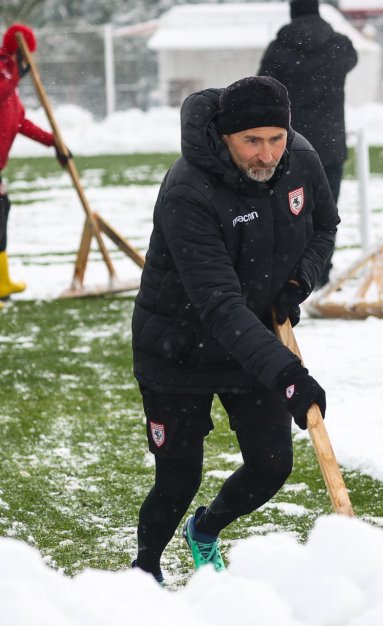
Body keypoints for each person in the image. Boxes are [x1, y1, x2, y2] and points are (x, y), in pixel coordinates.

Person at [130, 76, 337, 583]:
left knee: (272, 465)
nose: (266, 154)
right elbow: (219, 304)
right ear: (225, 136)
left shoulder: (301, 159)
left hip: (252, 340)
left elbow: (324, 226)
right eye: (251, 141)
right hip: (178, 348)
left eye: (276, 138)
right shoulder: (188, 190)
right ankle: (145, 570)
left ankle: (205, 530)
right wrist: (288, 375)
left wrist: (298, 280)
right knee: (178, 479)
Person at [259, 0, 357, 287]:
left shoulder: (279, 49)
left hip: (290, 146)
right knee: (326, 214)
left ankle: (291, 272)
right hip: (331, 144)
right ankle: (320, 272)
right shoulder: (339, 45)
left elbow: (263, 88)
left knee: (289, 212)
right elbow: (352, 59)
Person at [0, 24, 68, 304]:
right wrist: (16, 73)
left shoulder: (11, 83)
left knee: (3, 210)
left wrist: (54, 142)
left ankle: (2, 280)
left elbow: (20, 122)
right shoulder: (3, 71)